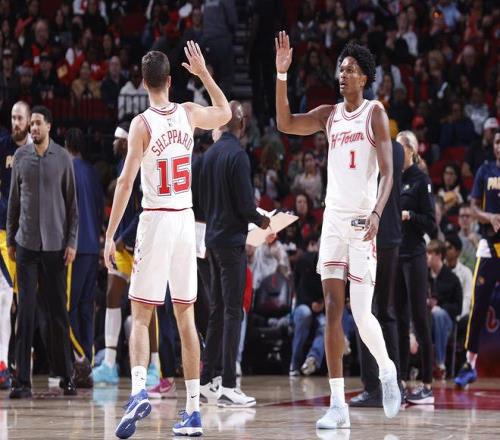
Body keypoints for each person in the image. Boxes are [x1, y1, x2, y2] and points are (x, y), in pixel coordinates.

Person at [275, 32, 401, 429]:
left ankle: (387, 369)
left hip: (363, 222)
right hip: (333, 221)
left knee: (361, 315)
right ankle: (337, 405)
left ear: (365, 77)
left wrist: (378, 213)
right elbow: (285, 122)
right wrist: (281, 75)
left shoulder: (374, 113)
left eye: (350, 70)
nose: (342, 75)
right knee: (332, 307)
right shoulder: (329, 115)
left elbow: (388, 172)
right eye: (340, 70)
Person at [105, 46, 231, 438]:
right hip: (184, 221)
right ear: (171, 80)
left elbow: (125, 182)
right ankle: (192, 411)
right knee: (185, 317)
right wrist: (204, 74)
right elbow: (225, 113)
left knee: (141, 314)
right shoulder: (188, 113)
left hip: (157, 219)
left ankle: (138, 391)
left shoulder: (141, 124)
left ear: (144, 83)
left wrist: (110, 234)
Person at [199, 101, 270, 407]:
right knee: (232, 311)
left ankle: (206, 381)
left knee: (217, 311)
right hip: (231, 243)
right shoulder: (238, 155)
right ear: (241, 125)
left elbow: (201, 202)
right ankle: (228, 384)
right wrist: (263, 220)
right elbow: (244, 205)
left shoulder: (207, 155)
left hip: (211, 240)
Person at [7, 105, 78, 398]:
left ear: (49, 126)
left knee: (58, 313)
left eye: (38, 123)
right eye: (31, 124)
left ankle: (67, 375)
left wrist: (72, 242)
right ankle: (21, 381)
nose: (33, 128)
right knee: (25, 313)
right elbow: (13, 202)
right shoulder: (20, 157)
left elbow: (72, 205)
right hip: (26, 245)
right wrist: (11, 240)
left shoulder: (62, 158)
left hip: (55, 247)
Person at [350, 139, 404, 408]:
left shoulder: (365, 142)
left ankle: (374, 387)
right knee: (384, 312)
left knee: (366, 312)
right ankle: (396, 384)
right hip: (389, 235)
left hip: (372, 232)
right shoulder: (398, 149)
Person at [455, 129, 500, 388]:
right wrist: (490, 217)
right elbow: (472, 208)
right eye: (497, 142)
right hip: (489, 246)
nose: (499, 146)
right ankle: (469, 364)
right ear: (493, 146)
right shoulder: (485, 170)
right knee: (478, 305)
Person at [394, 130, 436, 404]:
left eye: (400, 147)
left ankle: (427, 384)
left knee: (419, 319)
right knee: (398, 319)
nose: (396, 152)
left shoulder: (421, 181)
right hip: (395, 255)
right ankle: (399, 381)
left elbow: (431, 223)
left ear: (411, 150)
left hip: (415, 256)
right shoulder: (391, 178)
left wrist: (410, 215)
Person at [65, 127, 104, 387]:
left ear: (67, 144)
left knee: (67, 307)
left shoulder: (66, 170)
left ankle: (79, 360)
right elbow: (100, 210)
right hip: (92, 247)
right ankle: (86, 361)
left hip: (75, 249)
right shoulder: (92, 172)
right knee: (86, 309)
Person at [0, 101, 32, 390]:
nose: (15, 122)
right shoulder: (4, 147)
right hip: (5, 233)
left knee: (27, 304)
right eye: (13, 117)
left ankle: (22, 363)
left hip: (31, 236)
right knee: (5, 298)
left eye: (20, 118)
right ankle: (4, 364)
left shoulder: (39, 149)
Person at [290, 234, 325, 377]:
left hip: (322, 310)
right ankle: (294, 365)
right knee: (305, 313)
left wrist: (323, 304)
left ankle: (312, 359)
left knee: (326, 324)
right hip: (302, 305)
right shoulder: (305, 260)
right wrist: (312, 304)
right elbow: (299, 289)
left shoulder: (334, 266)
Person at [426, 239, 462, 380]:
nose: (427, 257)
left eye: (430, 253)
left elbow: (458, 308)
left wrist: (439, 307)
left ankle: (440, 364)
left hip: (447, 323)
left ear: (439, 255)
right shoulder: (424, 276)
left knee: (439, 314)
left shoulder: (452, 279)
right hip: (426, 319)